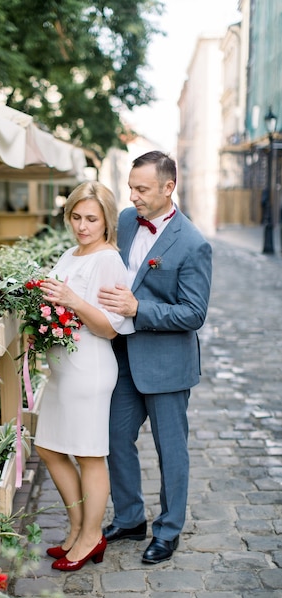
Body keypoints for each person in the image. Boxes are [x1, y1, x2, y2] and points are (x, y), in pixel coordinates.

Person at [98, 151, 212, 564]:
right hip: (123, 355)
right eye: (130, 187)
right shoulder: (126, 221)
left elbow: (194, 313)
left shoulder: (194, 243)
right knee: (113, 437)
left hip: (166, 365)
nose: (133, 196)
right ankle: (129, 518)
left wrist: (137, 309)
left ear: (169, 188)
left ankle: (168, 531)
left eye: (141, 189)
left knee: (170, 450)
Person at [34, 181, 134, 572]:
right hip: (63, 368)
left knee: (89, 456)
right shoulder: (70, 253)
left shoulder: (108, 260)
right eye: (76, 217)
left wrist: (73, 301)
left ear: (107, 220)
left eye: (91, 218)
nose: (82, 226)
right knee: (48, 447)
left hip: (89, 367)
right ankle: (78, 528)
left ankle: (92, 536)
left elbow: (110, 327)